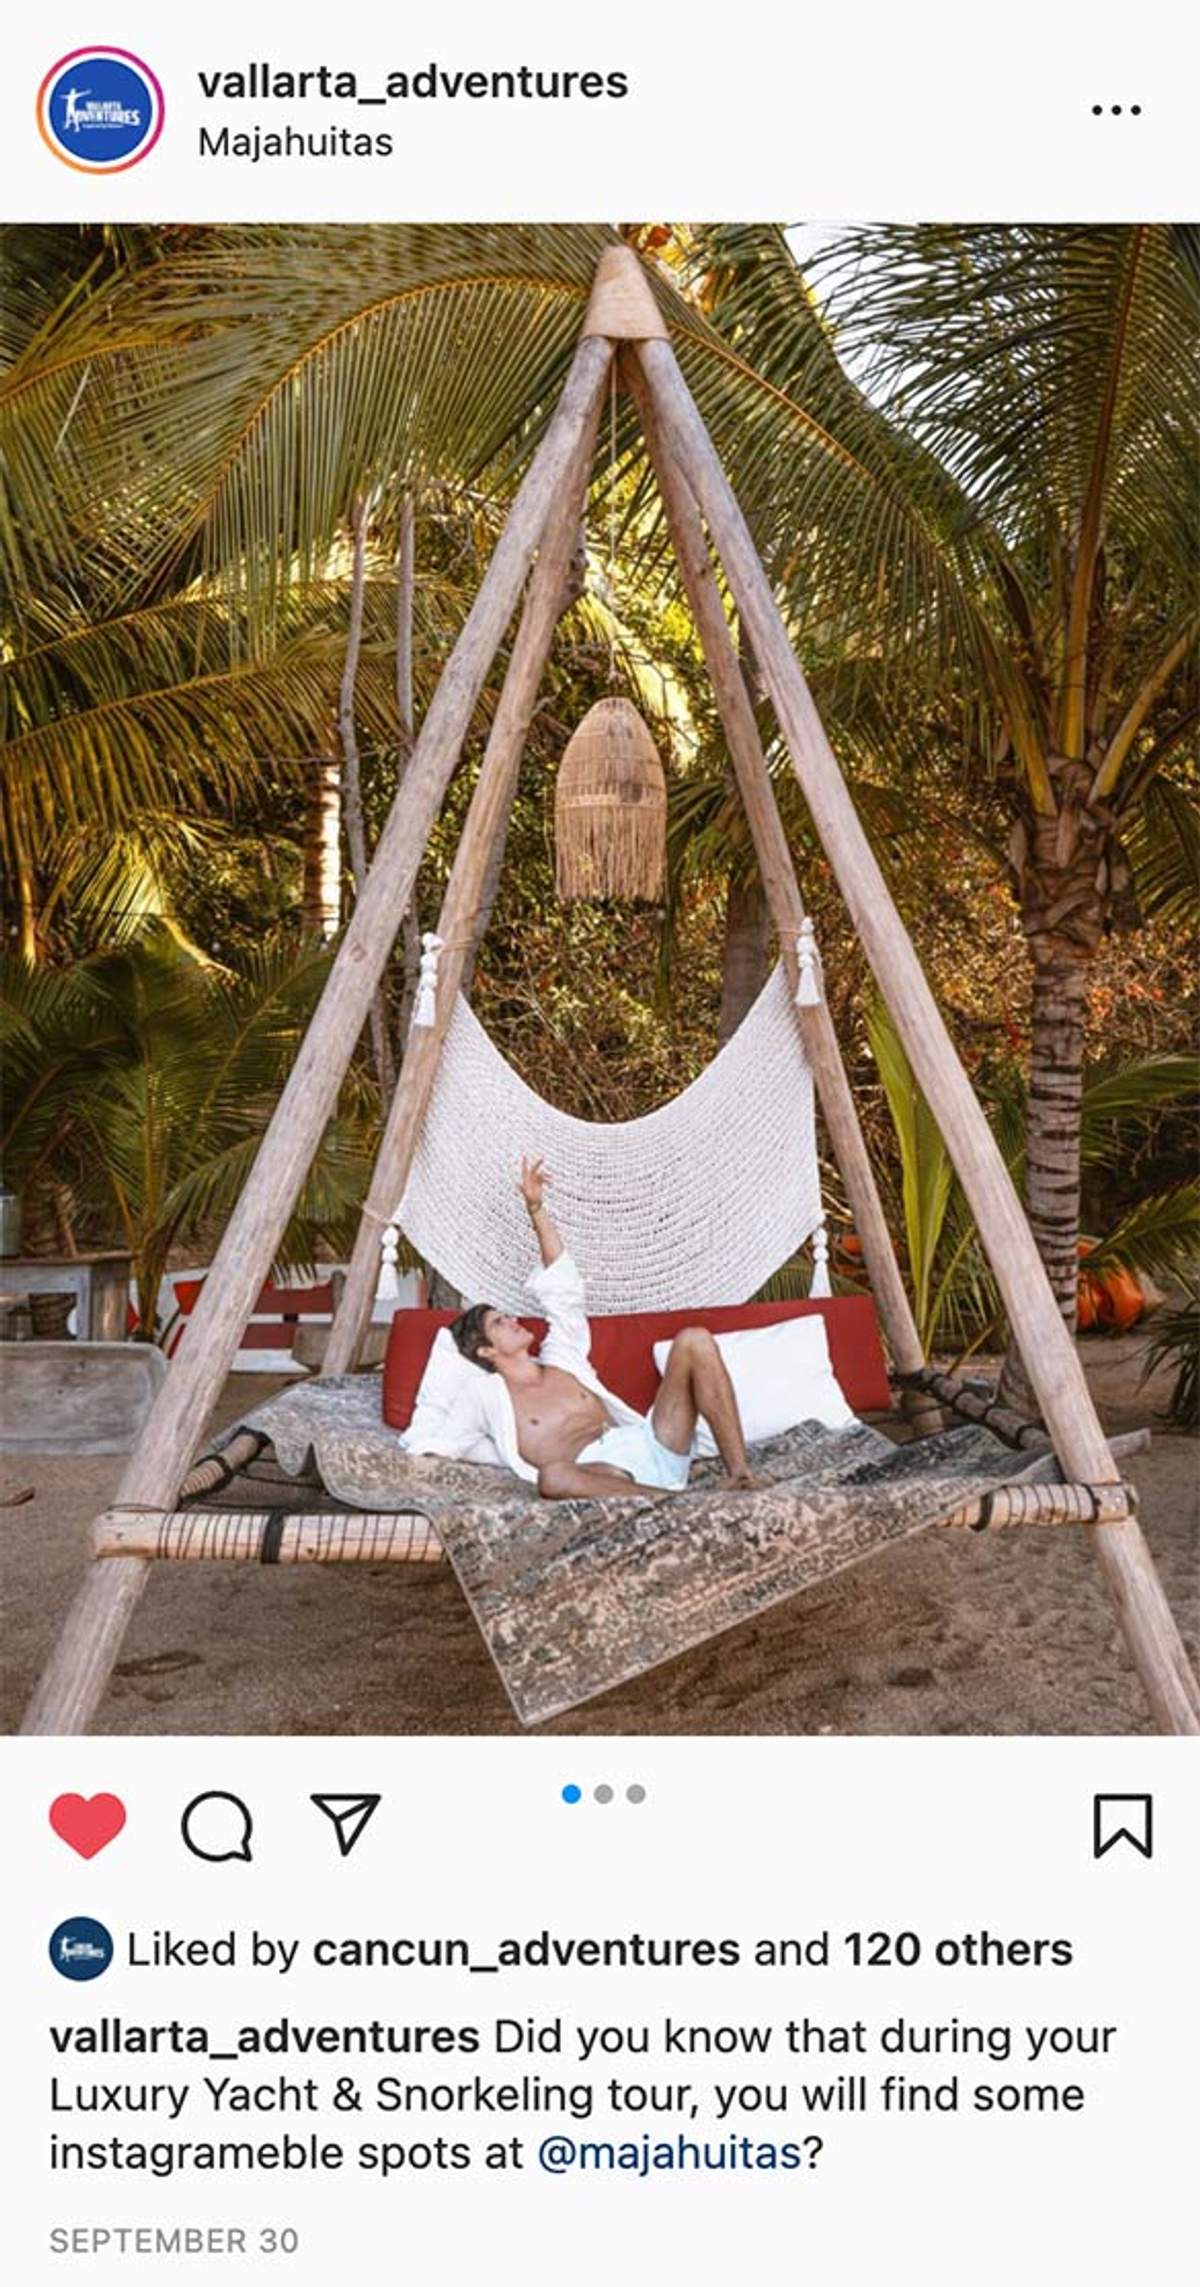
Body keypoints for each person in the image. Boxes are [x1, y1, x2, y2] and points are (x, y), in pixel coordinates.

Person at [449, 1155, 755, 1500]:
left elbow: (563, 1287)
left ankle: (740, 1474)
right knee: (553, 1477)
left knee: (695, 1340)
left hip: (655, 1444)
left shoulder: (561, 1358)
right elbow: (442, 1442)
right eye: (500, 1323)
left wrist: (536, 1209)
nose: (514, 1320)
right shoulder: (485, 1395)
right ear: (486, 1350)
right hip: (602, 1476)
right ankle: (670, 1501)